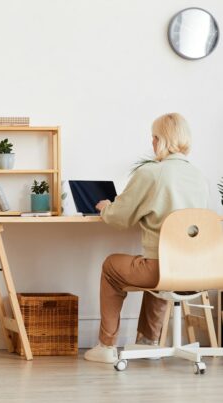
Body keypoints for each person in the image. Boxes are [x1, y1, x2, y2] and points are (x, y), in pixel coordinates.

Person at [84, 113, 209, 364]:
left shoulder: (152, 173)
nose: (152, 143)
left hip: (162, 271)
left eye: (153, 137)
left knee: (112, 266)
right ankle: (148, 341)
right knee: (161, 262)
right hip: (199, 271)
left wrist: (107, 206)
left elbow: (121, 218)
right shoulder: (199, 176)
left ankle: (106, 346)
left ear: (159, 140)